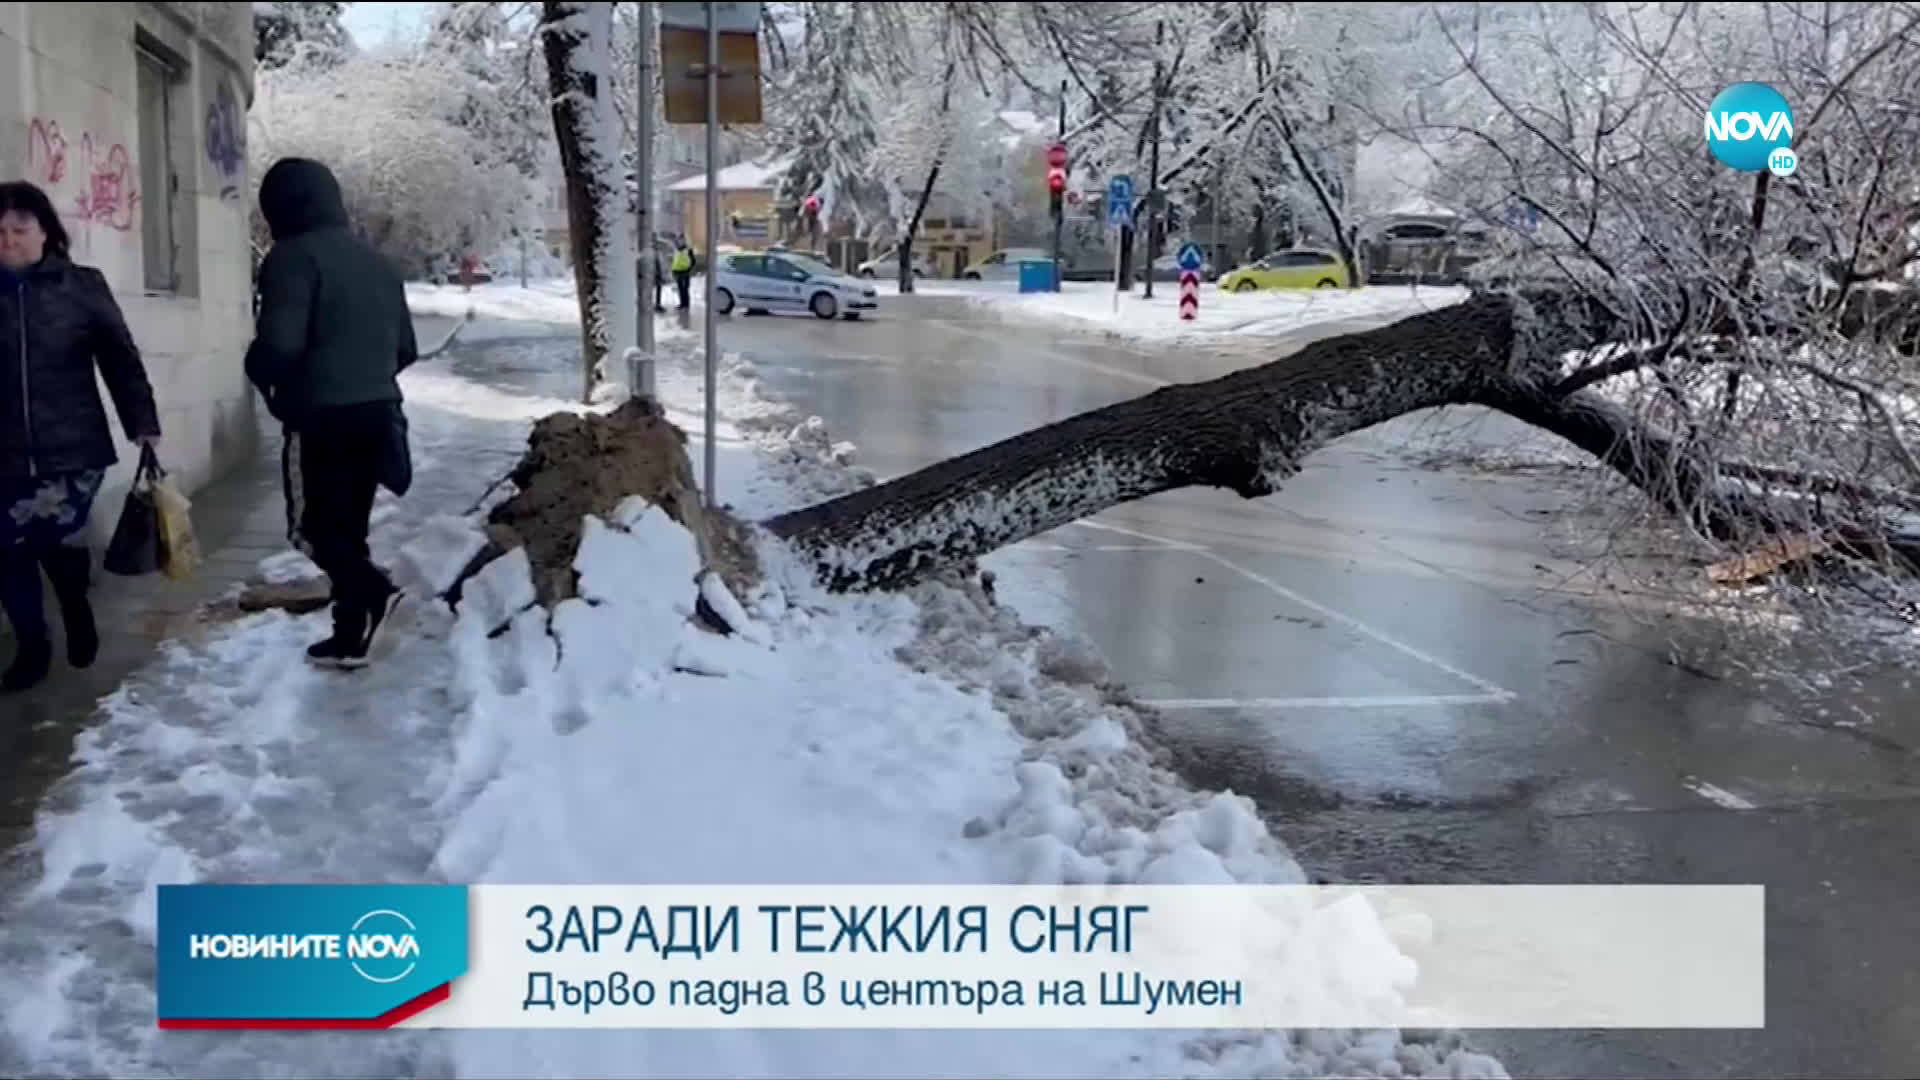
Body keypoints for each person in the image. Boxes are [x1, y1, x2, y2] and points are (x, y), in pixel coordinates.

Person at [245, 157, 417, 670]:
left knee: (313, 530)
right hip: (380, 414)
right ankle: (349, 635)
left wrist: (258, 368)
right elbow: (405, 348)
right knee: (350, 528)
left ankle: (374, 589)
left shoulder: (291, 258)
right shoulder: (379, 264)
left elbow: (279, 343)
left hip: (321, 417)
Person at [0, 180, 162, 693]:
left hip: (71, 448)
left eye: (19, 229)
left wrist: (143, 422)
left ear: (45, 231)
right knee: (7, 552)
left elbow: (120, 357)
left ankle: (74, 604)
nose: (7, 240)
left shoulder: (82, 285)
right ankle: (32, 647)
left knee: (56, 540)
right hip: (3, 452)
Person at [670, 236, 695, 311]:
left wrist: (689, 268)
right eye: (680, 240)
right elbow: (675, 260)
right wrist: (673, 270)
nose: (681, 242)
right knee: (680, 289)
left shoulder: (688, 249)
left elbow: (693, 260)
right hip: (678, 271)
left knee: (685, 289)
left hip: (685, 272)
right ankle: (682, 304)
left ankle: (686, 305)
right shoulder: (677, 249)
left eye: (682, 240)